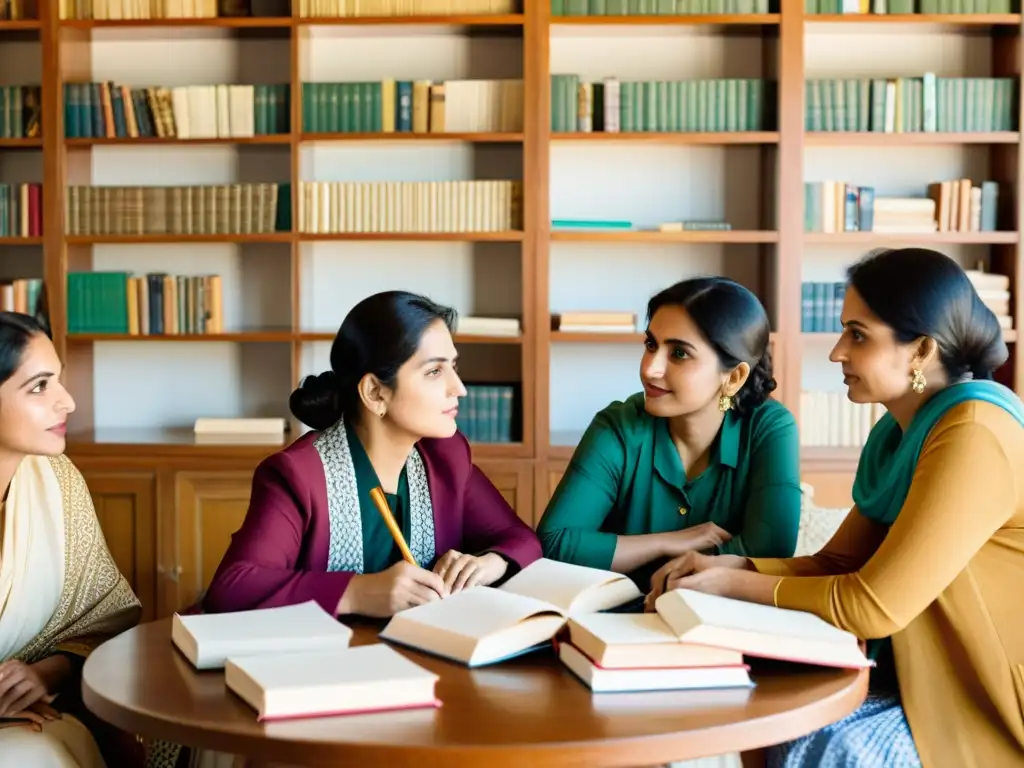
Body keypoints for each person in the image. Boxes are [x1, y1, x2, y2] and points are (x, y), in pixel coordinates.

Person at [646, 249, 1024, 768]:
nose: (836, 353)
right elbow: (840, 564)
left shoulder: (975, 433)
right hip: (910, 670)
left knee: (827, 743)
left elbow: (873, 605)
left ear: (921, 351)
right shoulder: (898, 433)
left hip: (973, 693)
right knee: (762, 699)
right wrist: (733, 566)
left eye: (858, 335)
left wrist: (732, 585)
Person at [203, 290, 542, 618]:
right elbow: (231, 588)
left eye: (453, 367)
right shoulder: (298, 474)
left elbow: (522, 540)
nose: (459, 388)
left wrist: (487, 564)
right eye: (435, 371)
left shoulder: (446, 457)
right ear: (375, 392)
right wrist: (358, 593)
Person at [537, 276, 802, 594]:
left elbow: (769, 553)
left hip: (725, 620)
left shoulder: (770, 428)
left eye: (679, 354)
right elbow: (554, 542)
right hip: (615, 620)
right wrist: (671, 542)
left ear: (733, 377)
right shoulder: (618, 426)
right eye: (651, 345)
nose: (650, 369)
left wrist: (661, 568)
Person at [0, 311, 142, 768]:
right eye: (40, 386)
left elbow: (103, 616)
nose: (67, 402)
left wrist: (42, 673)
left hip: (34, 713)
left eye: (58, 380)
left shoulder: (57, 481)